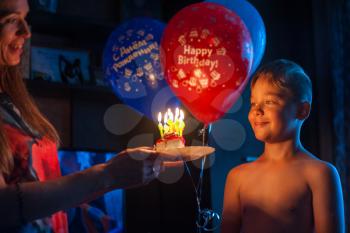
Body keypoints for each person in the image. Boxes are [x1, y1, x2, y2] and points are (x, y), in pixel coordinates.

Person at [0, 0, 179, 232]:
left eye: (26, 18)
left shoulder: (13, 101)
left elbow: (43, 192)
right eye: (12, 20)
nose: (27, 31)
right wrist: (106, 175)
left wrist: (114, 177)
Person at [221, 59, 345, 233]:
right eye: (253, 103)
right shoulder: (237, 177)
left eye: (270, 102)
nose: (257, 110)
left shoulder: (320, 174)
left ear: (302, 110)